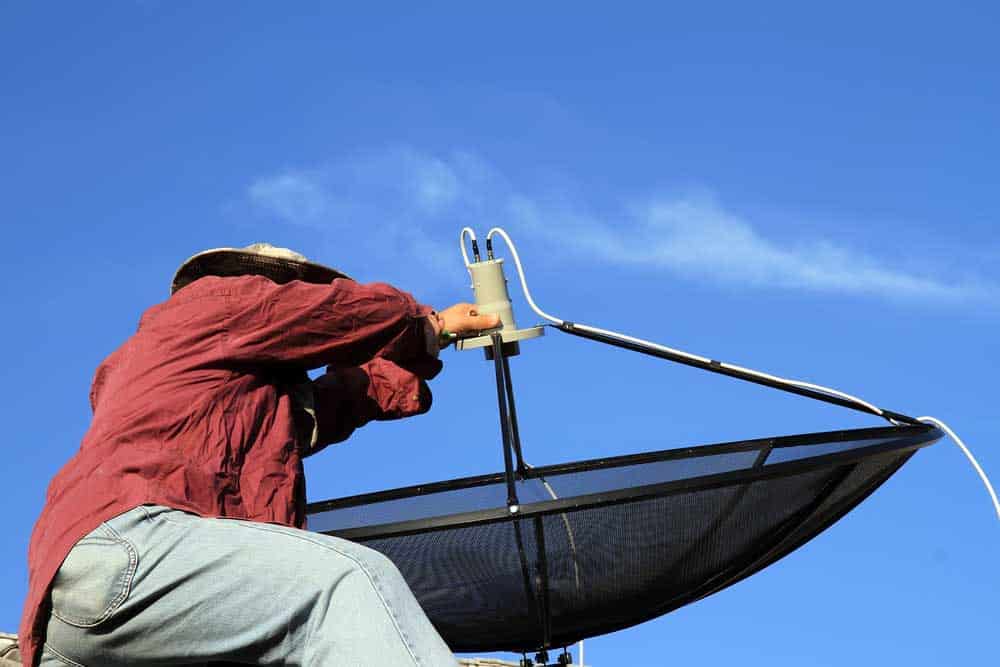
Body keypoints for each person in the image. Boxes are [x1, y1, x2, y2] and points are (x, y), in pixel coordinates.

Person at [19, 244, 500, 667]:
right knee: (345, 578)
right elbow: (334, 316)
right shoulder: (221, 302)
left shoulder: (226, 388)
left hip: (76, 611)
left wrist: (431, 344)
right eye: (300, 294)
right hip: (133, 546)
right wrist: (423, 323)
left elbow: (343, 400)